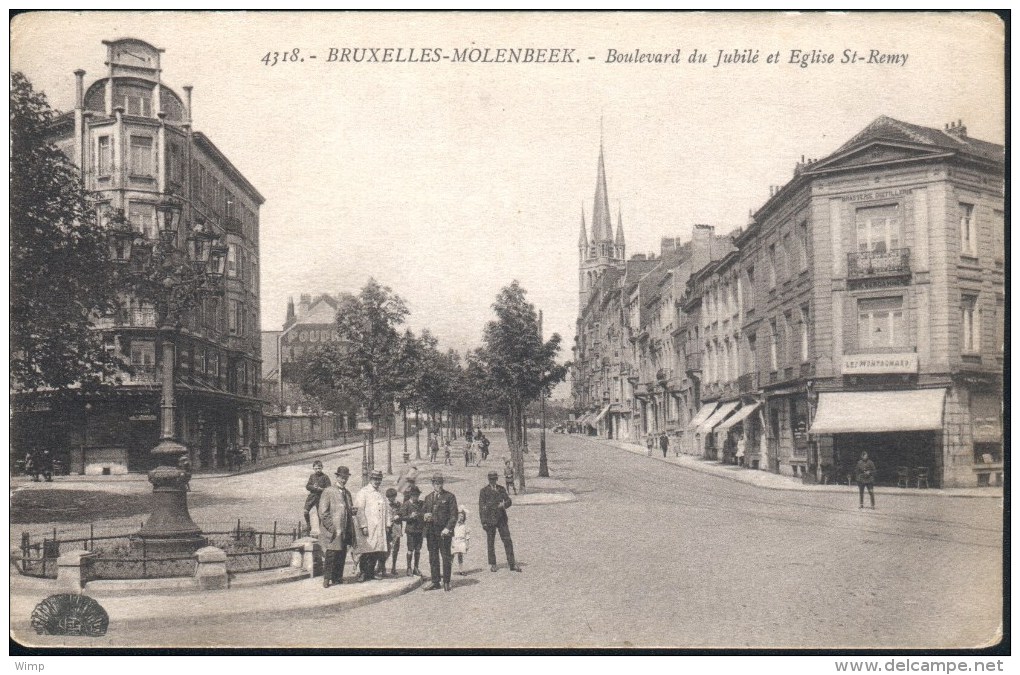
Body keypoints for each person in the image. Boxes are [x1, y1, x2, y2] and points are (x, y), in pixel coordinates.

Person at [318, 465, 356, 588]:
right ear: (337, 477)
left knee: (342, 553)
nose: (343, 480)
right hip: (333, 530)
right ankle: (327, 578)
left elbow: (348, 509)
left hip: (345, 528)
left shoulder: (347, 493)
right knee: (331, 554)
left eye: (345, 478)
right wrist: (331, 527)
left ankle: (337, 578)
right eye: (341, 477)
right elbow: (323, 511)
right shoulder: (328, 491)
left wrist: (352, 511)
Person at [478, 470, 521, 573]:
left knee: (507, 540)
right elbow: (481, 508)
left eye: (494, 479)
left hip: (501, 519)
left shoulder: (501, 489)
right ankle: (493, 564)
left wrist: (504, 505)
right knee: (490, 542)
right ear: (489, 480)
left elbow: (509, 501)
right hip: (490, 520)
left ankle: (512, 563)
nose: (493, 481)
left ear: (497, 479)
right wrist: (483, 522)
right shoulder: (484, 491)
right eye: (491, 479)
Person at [422, 473, 458, 592]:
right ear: (432, 484)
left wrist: (448, 528)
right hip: (431, 532)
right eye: (436, 483)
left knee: (446, 557)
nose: (438, 486)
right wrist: (424, 515)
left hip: (443, 532)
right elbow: (422, 513)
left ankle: (447, 581)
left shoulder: (449, 497)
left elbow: (454, 515)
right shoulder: (428, 498)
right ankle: (435, 581)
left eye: (440, 483)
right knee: (433, 557)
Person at [353, 469, 390, 581]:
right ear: (370, 479)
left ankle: (371, 572)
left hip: (379, 528)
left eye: (379, 479)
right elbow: (359, 510)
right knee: (366, 550)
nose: (377, 482)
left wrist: (387, 524)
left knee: (376, 550)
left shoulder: (381, 494)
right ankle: (363, 572)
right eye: (375, 479)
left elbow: (387, 510)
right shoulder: (363, 492)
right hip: (368, 527)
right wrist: (363, 526)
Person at [400, 485, 425, 576]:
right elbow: (402, 517)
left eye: (417, 495)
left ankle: (416, 567)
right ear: (411, 495)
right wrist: (410, 516)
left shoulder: (421, 503)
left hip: (419, 530)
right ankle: (409, 568)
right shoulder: (406, 504)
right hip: (410, 531)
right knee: (410, 549)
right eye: (414, 495)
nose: (416, 497)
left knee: (418, 550)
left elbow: (424, 513)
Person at [303, 460, 331, 534]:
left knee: (321, 514)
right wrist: (313, 487)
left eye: (319, 468)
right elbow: (307, 486)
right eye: (316, 468)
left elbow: (329, 489)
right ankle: (308, 525)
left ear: (322, 468)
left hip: (321, 497)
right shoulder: (312, 476)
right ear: (313, 468)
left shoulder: (325, 477)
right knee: (305, 511)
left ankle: (322, 530)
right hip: (312, 496)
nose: (318, 470)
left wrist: (321, 489)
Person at [381, 487, 403, 577]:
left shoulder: (399, 505)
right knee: (386, 549)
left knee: (396, 549)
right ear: (387, 497)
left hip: (396, 529)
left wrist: (399, 516)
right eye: (390, 497)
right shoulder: (385, 505)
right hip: (387, 529)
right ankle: (382, 568)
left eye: (394, 497)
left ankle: (393, 567)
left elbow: (403, 514)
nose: (392, 499)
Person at [451, 507, 471, 576]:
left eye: (462, 516)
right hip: (454, 541)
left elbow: (467, 535)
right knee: (451, 556)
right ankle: (448, 570)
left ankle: (461, 570)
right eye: (459, 516)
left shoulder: (465, 526)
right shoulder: (454, 525)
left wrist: (467, 544)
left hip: (461, 541)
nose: (460, 518)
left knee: (460, 556)